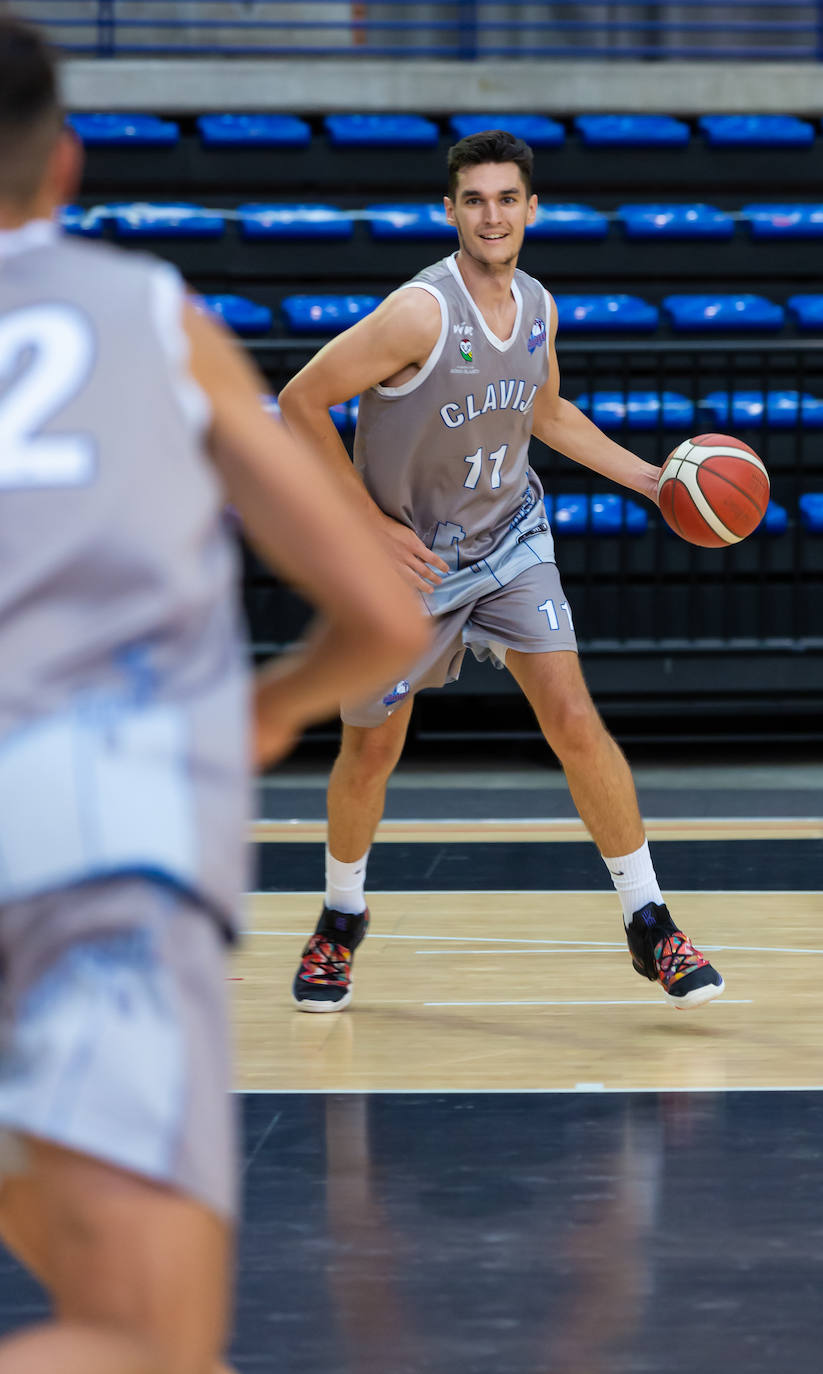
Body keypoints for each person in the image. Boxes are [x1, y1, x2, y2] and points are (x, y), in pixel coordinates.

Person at [0, 18, 428, 1374]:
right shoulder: (143, 315)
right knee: (143, 1345)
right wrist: (273, 703)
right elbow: (377, 612)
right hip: (87, 831)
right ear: (63, 165)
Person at [280, 127, 725, 1016]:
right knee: (371, 748)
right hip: (411, 562)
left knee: (572, 717)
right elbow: (298, 400)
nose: (491, 214)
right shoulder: (419, 312)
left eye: (506, 198)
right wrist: (366, 526)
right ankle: (339, 919)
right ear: (450, 211)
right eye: (474, 199)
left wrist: (651, 479)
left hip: (511, 537)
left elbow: (546, 412)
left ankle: (650, 922)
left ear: (531, 209)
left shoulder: (538, 304)